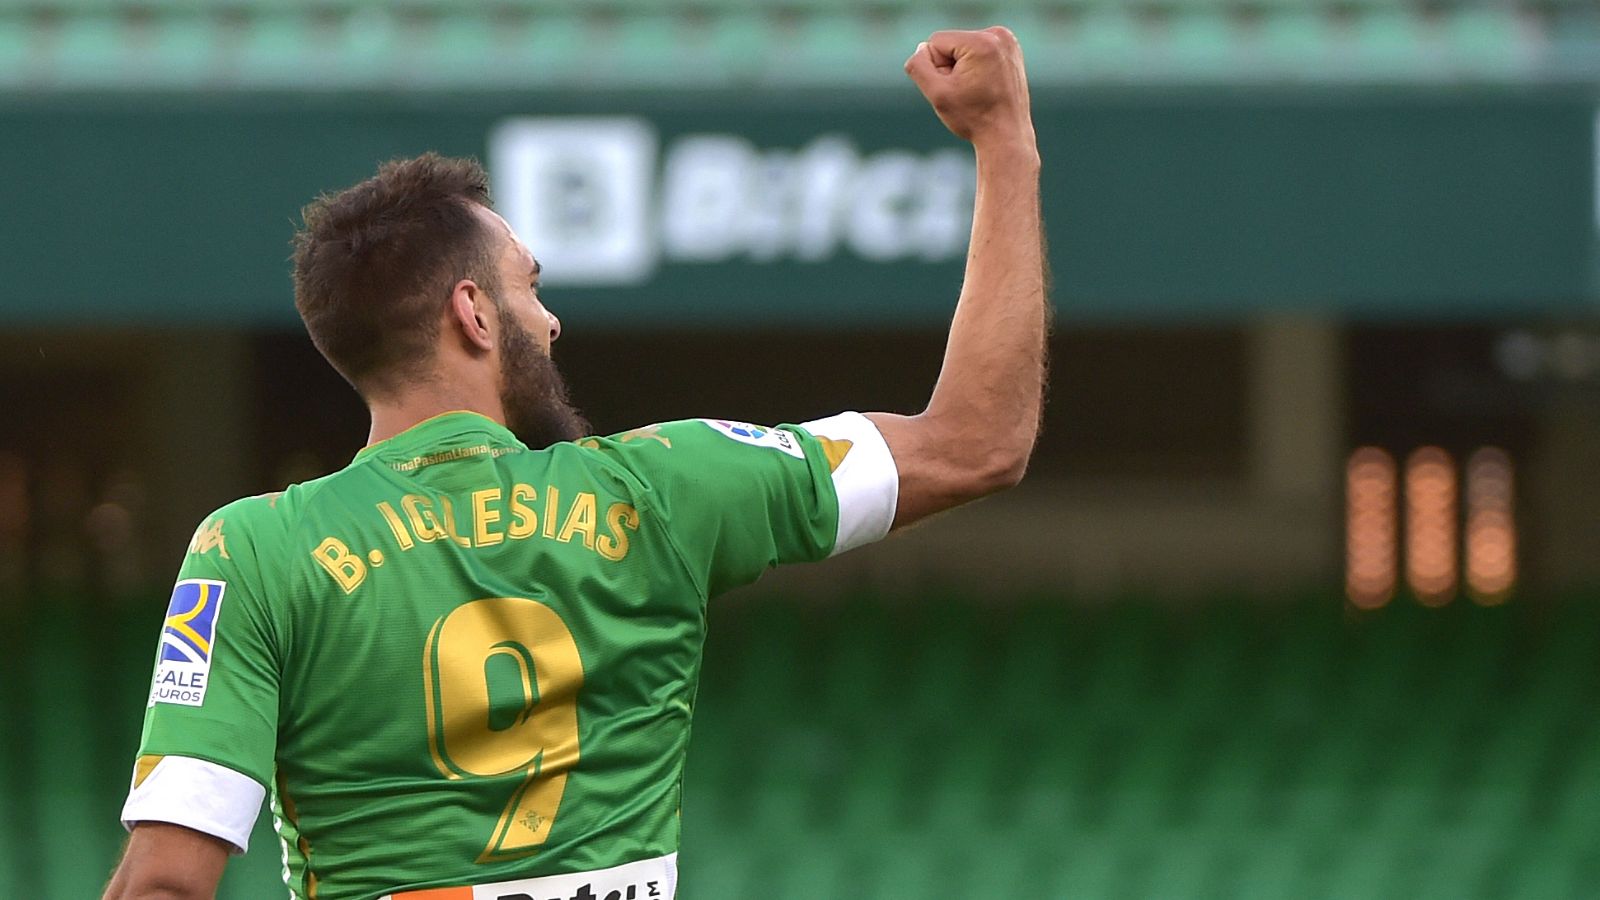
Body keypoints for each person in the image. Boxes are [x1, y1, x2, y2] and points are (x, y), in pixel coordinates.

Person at [103, 26, 1047, 900]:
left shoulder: (254, 551)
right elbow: (978, 443)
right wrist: (1004, 140)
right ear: (474, 314)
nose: (550, 322)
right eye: (530, 287)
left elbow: (165, 883)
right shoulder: (663, 487)